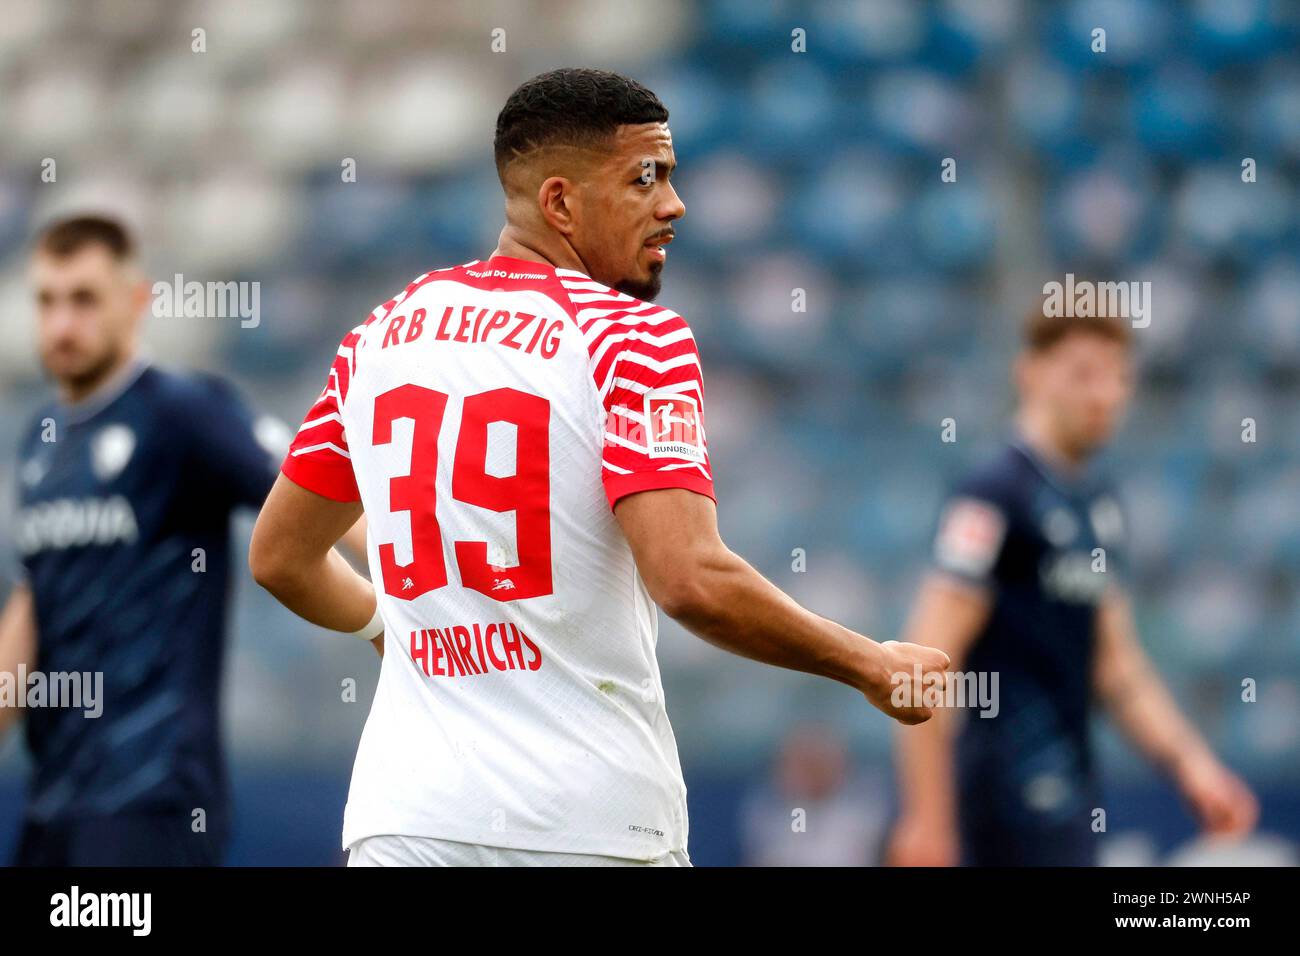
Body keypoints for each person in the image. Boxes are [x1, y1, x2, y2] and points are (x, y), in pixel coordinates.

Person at [249, 67, 949, 867]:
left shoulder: (381, 334)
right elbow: (690, 579)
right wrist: (871, 664)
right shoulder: (630, 337)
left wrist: (388, 631)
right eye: (644, 179)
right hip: (586, 827)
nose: (674, 205)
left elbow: (280, 558)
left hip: (407, 823)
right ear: (560, 204)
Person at [0, 214, 344, 865]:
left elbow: (320, 492)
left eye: (84, 299)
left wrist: (405, 594)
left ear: (136, 302)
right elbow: (31, 603)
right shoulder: (40, 440)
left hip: (152, 799)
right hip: (52, 804)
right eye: (47, 301)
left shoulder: (183, 410)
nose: (61, 324)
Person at [887, 306, 1258, 867]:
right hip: (999, 803)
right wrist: (928, 818)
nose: (1105, 394)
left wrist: (1194, 767)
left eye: (1118, 375)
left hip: (1073, 793)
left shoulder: (1099, 504)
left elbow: (1118, 668)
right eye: (1084, 373)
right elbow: (924, 664)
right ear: (1029, 373)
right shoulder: (993, 495)